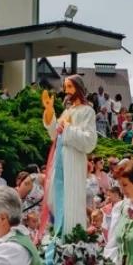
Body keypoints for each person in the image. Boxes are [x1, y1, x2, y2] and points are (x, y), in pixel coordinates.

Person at [40, 75, 98, 236]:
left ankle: (72, 236)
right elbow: (54, 135)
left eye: (70, 86)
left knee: (71, 198)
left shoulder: (87, 111)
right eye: (65, 87)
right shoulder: (67, 111)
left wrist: (67, 128)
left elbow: (89, 141)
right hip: (59, 157)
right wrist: (49, 111)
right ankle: (58, 233)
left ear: (79, 88)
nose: (66, 90)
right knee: (53, 196)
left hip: (74, 159)